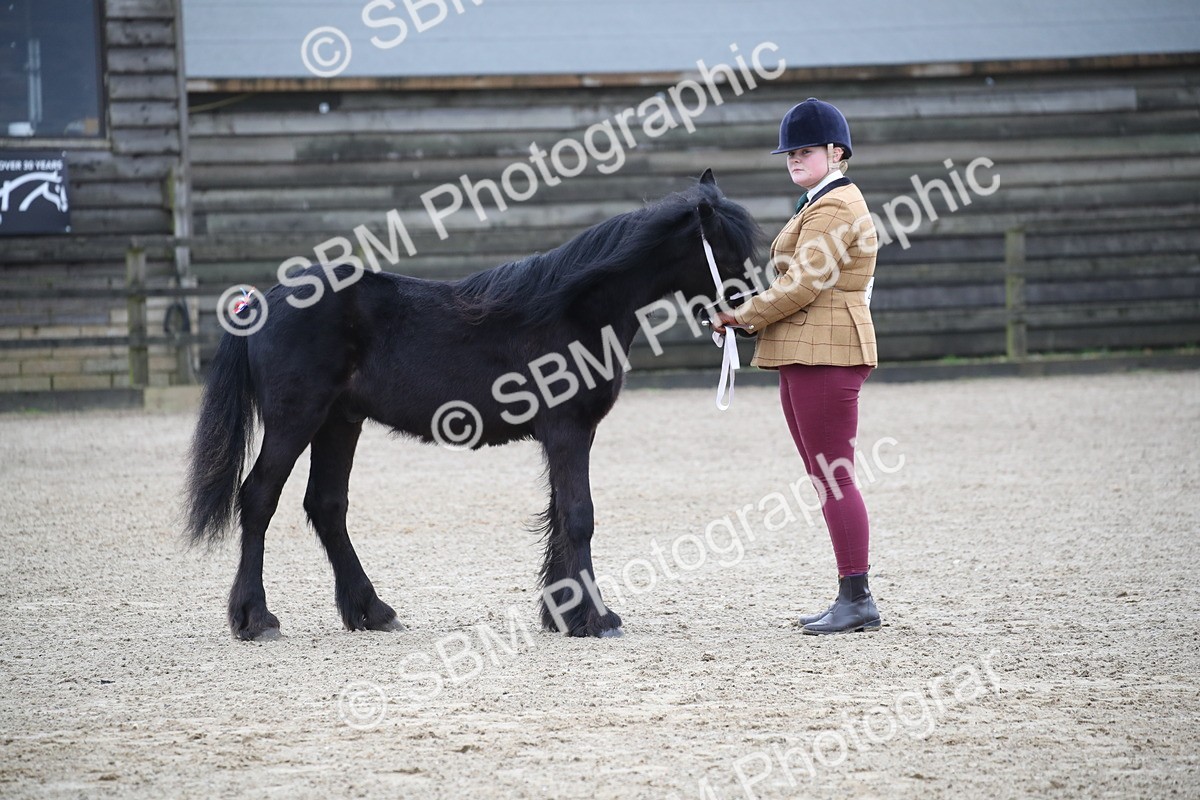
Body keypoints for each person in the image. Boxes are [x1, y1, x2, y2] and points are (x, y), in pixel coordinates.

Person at [713, 98, 881, 635]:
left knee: (834, 476)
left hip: (825, 351)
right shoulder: (819, 200)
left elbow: (803, 283)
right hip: (807, 350)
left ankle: (857, 596)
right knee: (825, 475)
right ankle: (852, 594)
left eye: (804, 150)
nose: (793, 158)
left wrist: (742, 316)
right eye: (790, 151)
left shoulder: (833, 207)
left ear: (837, 151)